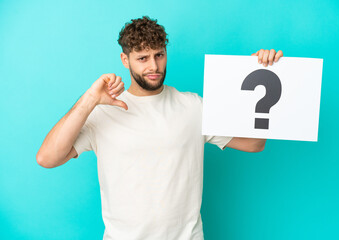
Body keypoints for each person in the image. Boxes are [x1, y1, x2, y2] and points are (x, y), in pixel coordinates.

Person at [36, 16, 283, 240]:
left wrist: (258, 72)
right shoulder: (103, 113)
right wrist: (90, 99)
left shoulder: (193, 106)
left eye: (159, 55)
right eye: (142, 58)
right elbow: (47, 158)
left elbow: (254, 143)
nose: (153, 66)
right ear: (125, 60)